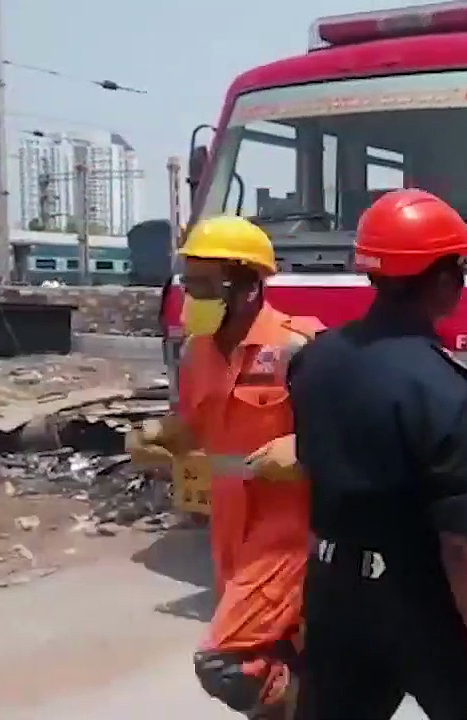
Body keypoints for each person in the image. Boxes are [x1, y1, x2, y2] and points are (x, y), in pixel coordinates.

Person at [289, 188, 467, 720]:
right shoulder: (444, 389)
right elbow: (466, 543)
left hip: (332, 592)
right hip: (418, 598)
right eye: (460, 270)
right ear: (443, 280)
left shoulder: (316, 360)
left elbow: (314, 474)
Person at [126, 214, 324, 719]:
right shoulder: (197, 353)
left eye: (203, 284)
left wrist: (305, 448)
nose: (192, 297)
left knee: (225, 661)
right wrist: (161, 438)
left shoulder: (299, 346)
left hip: (288, 531)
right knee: (275, 651)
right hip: (230, 526)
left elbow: (352, 433)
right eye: (188, 282)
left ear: (249, 284)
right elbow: (196, 426)